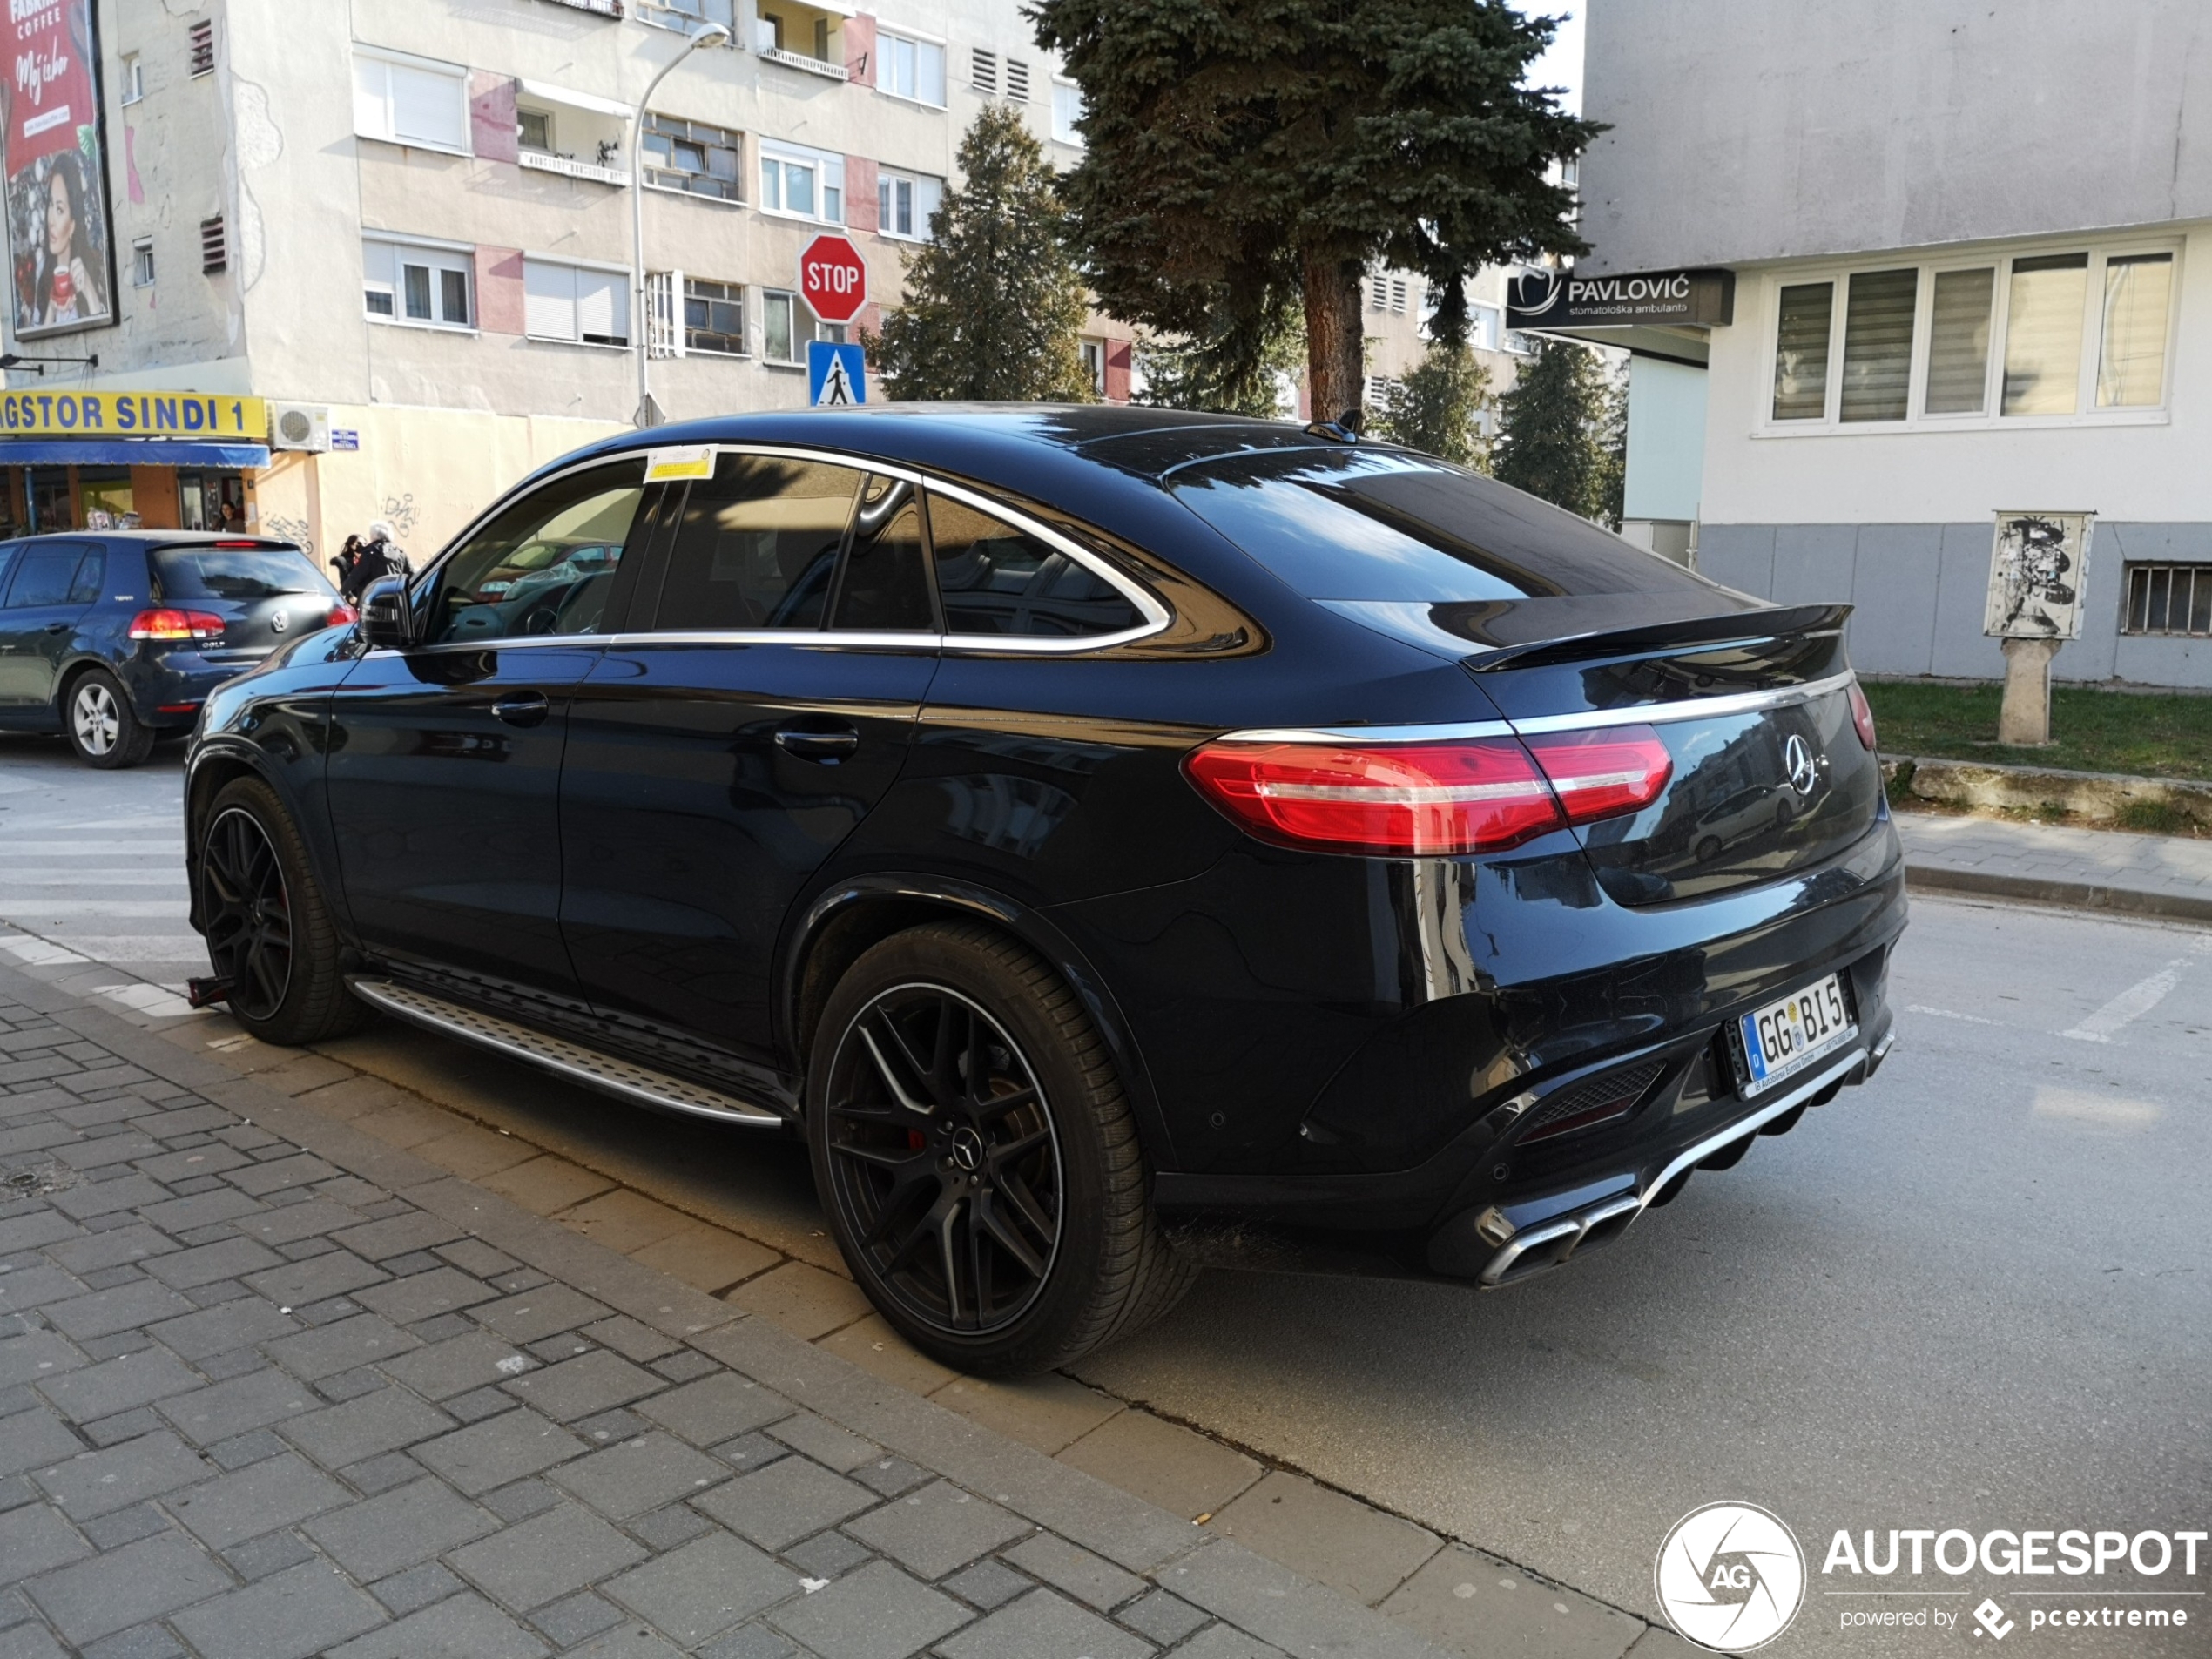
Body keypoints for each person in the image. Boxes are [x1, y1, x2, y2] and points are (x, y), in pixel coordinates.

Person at [35, 158, 106, 330]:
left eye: (59, 210)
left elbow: (107, 337)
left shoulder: (91, 264)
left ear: (72, 225)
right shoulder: (43, 269)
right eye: (50, 205)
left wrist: (89, 291)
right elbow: (38, 346)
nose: (50, 219)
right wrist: (52, 309)